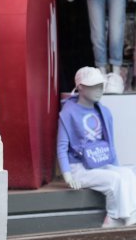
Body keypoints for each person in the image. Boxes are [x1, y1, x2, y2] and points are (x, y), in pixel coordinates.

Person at [58, 67, 136, 227]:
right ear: (80, 87)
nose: (100, 89)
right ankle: (115, 217)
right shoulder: (68, 113)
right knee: (114, 179)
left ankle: (130, 215)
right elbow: (62, 146)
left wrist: (116, 167)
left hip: (100, 161)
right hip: (80, 167)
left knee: (127, 173)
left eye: (101, 85)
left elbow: (110, 144)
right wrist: (68, 176)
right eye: (94, 86)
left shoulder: (104, 111)